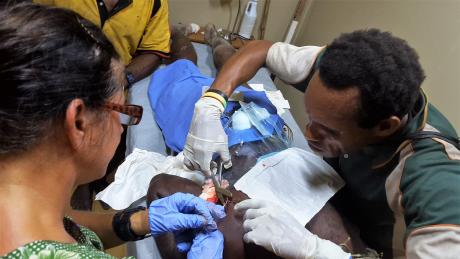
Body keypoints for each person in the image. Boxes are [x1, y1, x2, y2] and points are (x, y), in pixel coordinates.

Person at [184, 28, 460, 258]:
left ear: (385, 127)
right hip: (339, 195)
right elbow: (261, 50)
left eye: (328, 130)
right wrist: (211, 102)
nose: (309, 134)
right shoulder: (346, 72)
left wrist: (315, 251)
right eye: (310, 118)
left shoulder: (436, 185)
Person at [0, 3, 224, 258]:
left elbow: (67, 222)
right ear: (79, 122)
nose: (121, 126)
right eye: (122, 111)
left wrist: (138, 222)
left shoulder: (31, 205)